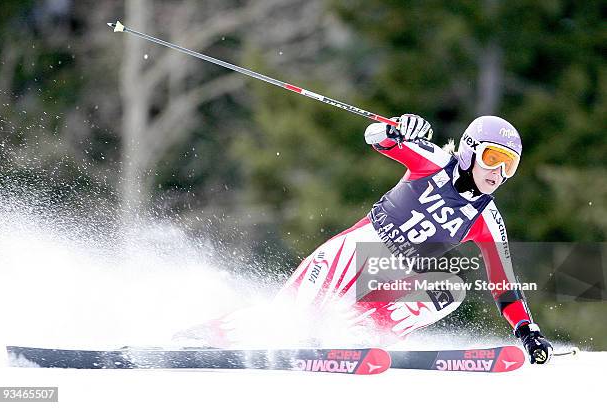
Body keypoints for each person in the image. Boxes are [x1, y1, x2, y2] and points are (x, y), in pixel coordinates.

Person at [183, 114, 553, 364]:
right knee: (287, 320)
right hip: (353, 253)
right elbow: (376, 137)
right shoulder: (434, 160)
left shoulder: (487, 218)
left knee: (448, 288)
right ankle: (199, 336)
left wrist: (528, 331)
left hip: (388, 280)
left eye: (510, 165)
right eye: (493, 158)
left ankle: (361, 334)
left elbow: (504, 286)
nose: (499, 172)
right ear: (470, 150)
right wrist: (399, 127)